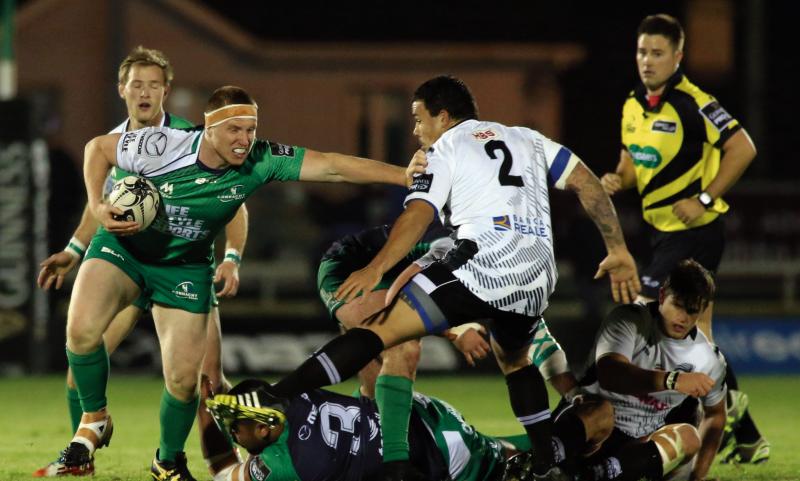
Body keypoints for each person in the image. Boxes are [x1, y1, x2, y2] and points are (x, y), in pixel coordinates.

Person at [270, 75, 640, 481]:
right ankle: (545, 461)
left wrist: (375, 267)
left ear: (443, 117)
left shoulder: (445, 148)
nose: (415, 130)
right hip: (537, 273)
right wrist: (618, 250)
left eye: (418, 118)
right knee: (516, 361)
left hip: (484, 264)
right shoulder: (526, 138)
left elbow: (417, 216)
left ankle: (276, 395)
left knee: (381, 334)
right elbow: (586, 181)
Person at [53, 85, 420, 481]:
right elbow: (97, 150)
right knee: (81, 332)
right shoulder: (163, 144)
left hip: (185, 267)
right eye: (235, 130)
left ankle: (168, 461)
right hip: (125, 250)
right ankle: (95, 416)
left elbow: (331, 165)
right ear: (209, 128)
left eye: (251, 129)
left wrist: (401, 175)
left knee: (184, 381)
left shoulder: (261, 159)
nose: (245, 140)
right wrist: (96, 205)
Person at [33, 46, 248, 478]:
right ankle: (83, 452)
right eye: (137, 84)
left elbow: (235, 205)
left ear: (166, 91)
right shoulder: (114, 145)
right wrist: (73, 252)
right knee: (80, 364)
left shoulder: (193, 140)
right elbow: (100, 209)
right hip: (129, 265)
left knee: (205, 380)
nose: (144, 92)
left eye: (153, 84)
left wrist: (231, 258)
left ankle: (213, 461)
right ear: (122, 90)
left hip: (183, 269)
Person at [598, 14, 767, 464]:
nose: (647, 61)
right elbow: (633, 162)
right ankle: (741, 429)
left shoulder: (695, 102)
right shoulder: (633, 103)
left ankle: (637, 422)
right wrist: (618, 178)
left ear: (678, 56)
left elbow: (743, 146)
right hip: (661, 234)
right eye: (641, 52)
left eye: (657, 53)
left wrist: (707, 198)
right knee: (698, 339)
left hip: (696, 234)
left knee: (648, 316)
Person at [318, 226, 582, 471]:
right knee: (402, 347)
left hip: (402, 274)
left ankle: (380, 439)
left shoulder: (508, 275)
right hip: (353, 266)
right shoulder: (466, 248)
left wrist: (574, 394)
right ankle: (395, 465)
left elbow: (536, 335)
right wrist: (455, 333)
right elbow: (409, 299)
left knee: (384, 382)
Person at [197, 363, 614, 481]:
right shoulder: (292, 393)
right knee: (533, 445)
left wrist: (201, 415)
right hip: (413, 413)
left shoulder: (284, 465)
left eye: (238, 423)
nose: (234, 429)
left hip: (431, 458)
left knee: (510, 464)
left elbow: (220, 470)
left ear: (267, 427)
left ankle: (564, 462)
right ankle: (566, 442)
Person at [574, 259, 726, 481]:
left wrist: (698, 476)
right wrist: (673, 380)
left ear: (702, 310)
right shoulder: (630, 320)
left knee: (688, 437)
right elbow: (610, 374)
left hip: (633, 447)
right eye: (678, 305)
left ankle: (604, 472)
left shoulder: (708, 358)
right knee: (598, 411)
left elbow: (716, 415)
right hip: (591, 428)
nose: (683, 317)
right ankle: (552, 460)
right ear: (663, 296)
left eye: (692, 311)